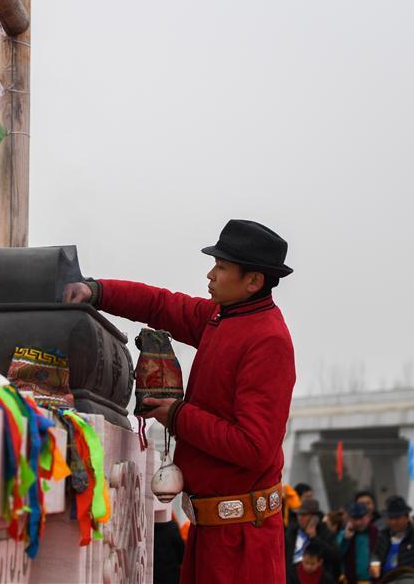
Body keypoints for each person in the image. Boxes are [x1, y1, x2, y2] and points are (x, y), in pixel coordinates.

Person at [64, 219, 296, 584]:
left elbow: (254, 447)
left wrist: (178, 415)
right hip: (213, 534)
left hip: (242, 548)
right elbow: (161, 304)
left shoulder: (269, 341)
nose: (210, 274)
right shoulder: (221, 317)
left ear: (253, 281)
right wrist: (98, 291)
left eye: (221, 267)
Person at [373, 496, 414, 577]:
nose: (393, 522)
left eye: (397, 518)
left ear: (407, 518)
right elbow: (375, 558)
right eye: (390, 518)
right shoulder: (382, 536)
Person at [285, 498, 340, 583]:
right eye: (298, 515)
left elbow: (335, 556)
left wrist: (315, 538)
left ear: (315, 517)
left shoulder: (325, 532)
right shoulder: (292, 532)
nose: (300, 518)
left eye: (304, 515)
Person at [337, 501, 379, 584]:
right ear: (349, 519)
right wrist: (346, 538)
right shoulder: (343, 534)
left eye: (361, 518)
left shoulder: (376, 533)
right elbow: (337, 555)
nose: (358, 523)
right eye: (355, 519)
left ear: (368, 517)